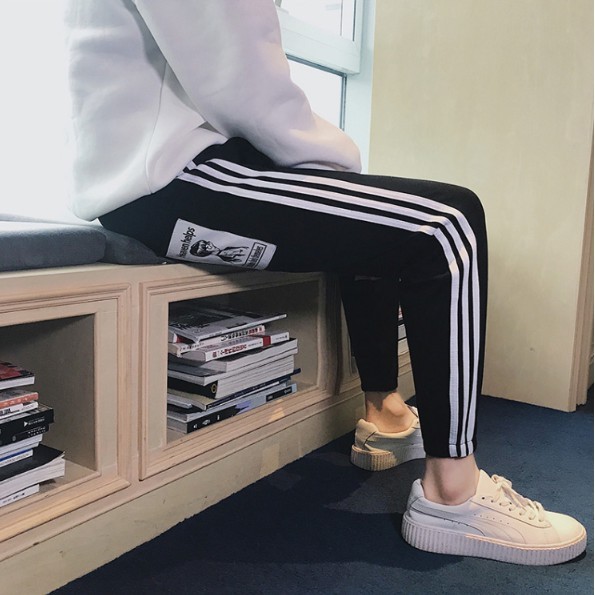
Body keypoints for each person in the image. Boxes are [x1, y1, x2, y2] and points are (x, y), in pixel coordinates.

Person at [65, 0, 586, 565]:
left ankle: (386, 417)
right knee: (446, 225)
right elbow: (238, 72)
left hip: (174, 167)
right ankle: (452, 495)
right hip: (170, 179)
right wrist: (336, 156)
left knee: (380, 228)